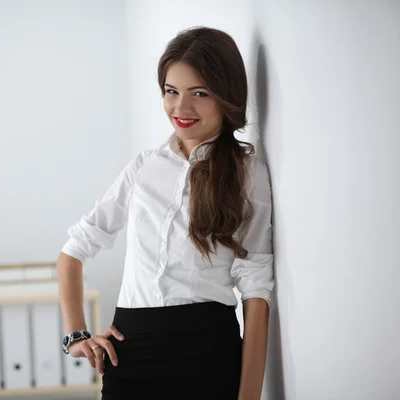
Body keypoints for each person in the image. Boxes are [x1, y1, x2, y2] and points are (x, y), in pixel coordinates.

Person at [56, 26, 274, 400]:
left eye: (200, 94)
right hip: (130, 351)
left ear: (227, 96)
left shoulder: (246, 171)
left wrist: (249, 396)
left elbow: (256, 285)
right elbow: (75, 249)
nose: (181, 109)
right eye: (171, 92)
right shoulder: (143, 168)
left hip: (207, 352)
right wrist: (76, 335)